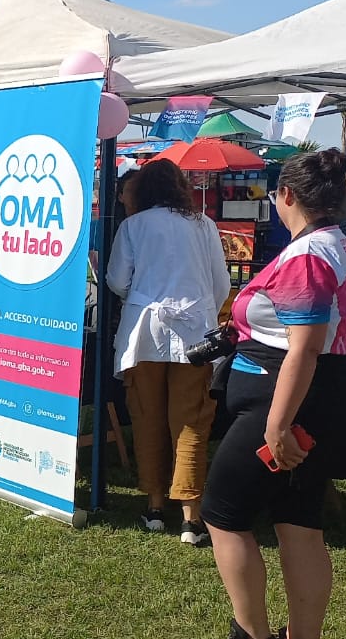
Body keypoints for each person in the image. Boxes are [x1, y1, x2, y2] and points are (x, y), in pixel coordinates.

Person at [203, 149, 346, 639]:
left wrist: (277, 426)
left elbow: (305, 349)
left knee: (222, 511)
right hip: (311, 396)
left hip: (287, 401)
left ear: (286, 195)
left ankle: (251, 632)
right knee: (298, 521)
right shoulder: (334, 244)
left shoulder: (308, 255)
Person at [105, 160, 230, 546]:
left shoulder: (133, 226)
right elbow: (220, 282)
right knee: (191, 421)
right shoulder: (203, 225)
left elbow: (114, 280)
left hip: (144, 333)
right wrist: (199, 309)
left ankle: (155, 505)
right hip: (195, 331)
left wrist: (142, 299)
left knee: (147, 417)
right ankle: (191, 518)